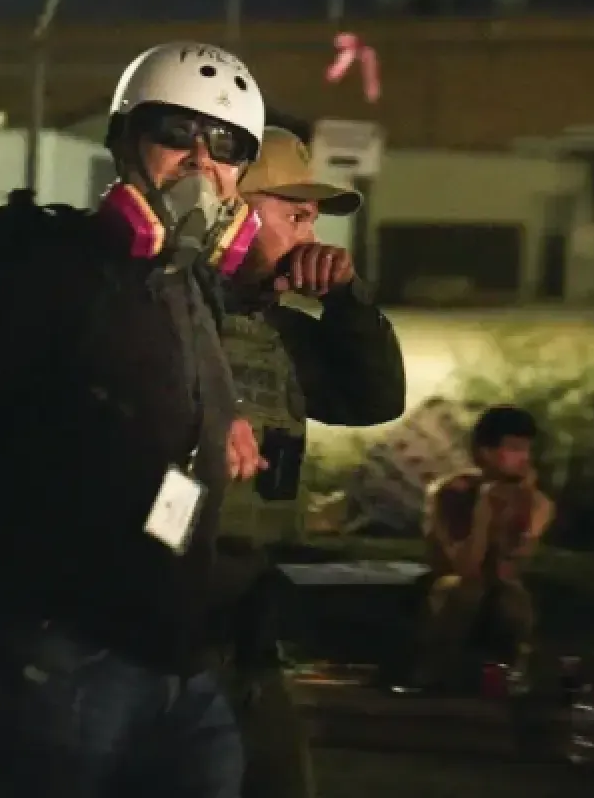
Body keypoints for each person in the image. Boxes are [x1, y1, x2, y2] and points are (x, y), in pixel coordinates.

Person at [0, 41, 271, 798]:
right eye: (175, 132)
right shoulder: (47, 269)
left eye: (226, 144)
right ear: (125, 139)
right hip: (58, 659)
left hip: (174, 660)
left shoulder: (188, 285)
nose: (201, 162)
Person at [210, 126, 407, 798]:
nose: (311, 236)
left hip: (246, 629)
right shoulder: (161, 319)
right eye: (294, 215)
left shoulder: (279, 335)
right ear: (230, 210)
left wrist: (346, 306)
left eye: (312, 219)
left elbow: (374, 397)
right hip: (159, 628)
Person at [412, 404, 556, 692]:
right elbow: (465, 567)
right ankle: (436, 677)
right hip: (450, 583)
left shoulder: (537, 503)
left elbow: (512, 567)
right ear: (485, 452)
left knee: (513, 600)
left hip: (500, 587)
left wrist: (523, 510)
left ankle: (506, 678)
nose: (523, 459)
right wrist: (483, 512)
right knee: (462, 591)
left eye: (527, 449)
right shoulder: (452, 493)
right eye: (514, 448)